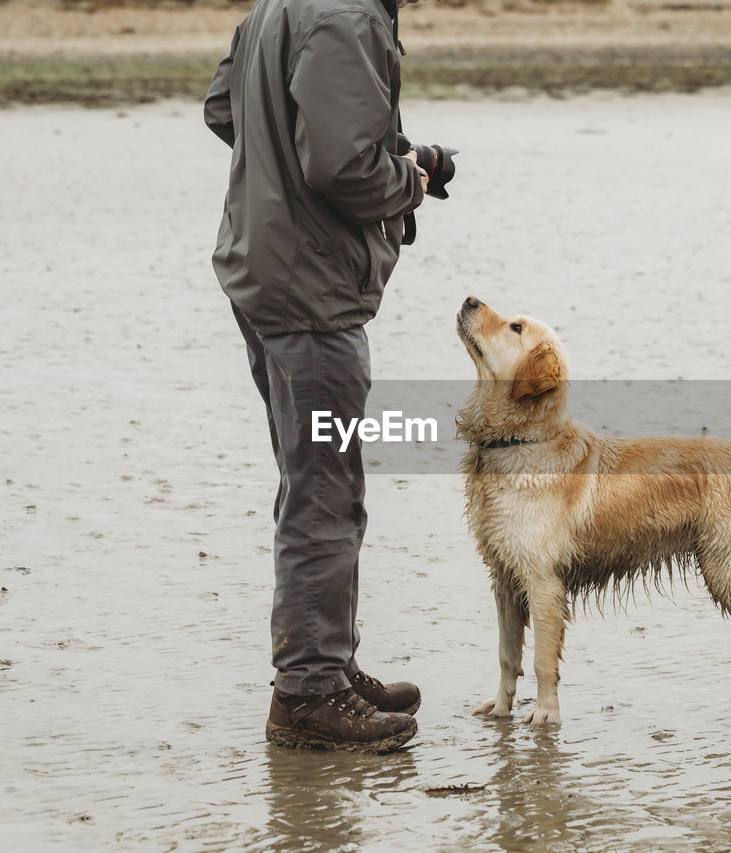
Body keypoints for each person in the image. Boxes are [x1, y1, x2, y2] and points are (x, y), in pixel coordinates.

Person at [204, 0, 432, 754]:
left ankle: (324, 663)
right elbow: (339, 165)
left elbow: (224, 107)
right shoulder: (348, 14)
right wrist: (407, 181)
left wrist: (394, 155)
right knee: (326, 493)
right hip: (310, 296)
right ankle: (307, 694)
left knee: (313, 483)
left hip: (266, 275)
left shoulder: (282, 3)